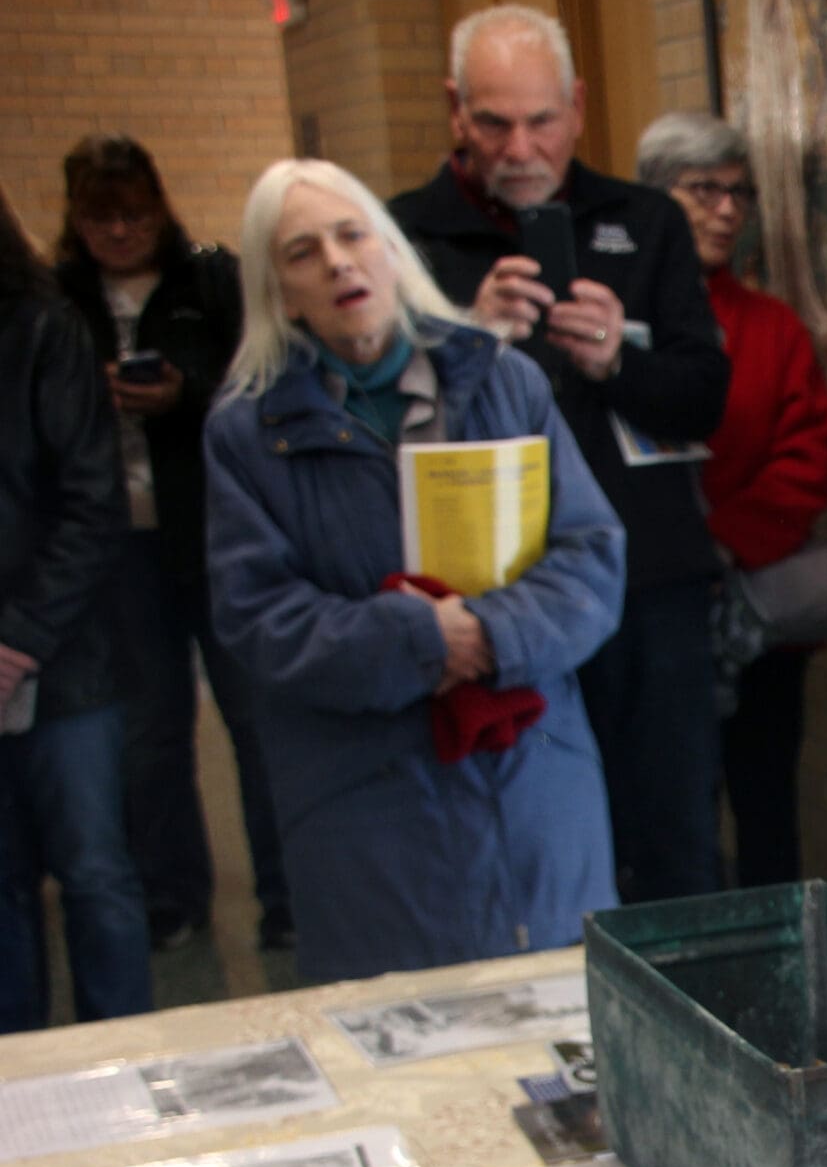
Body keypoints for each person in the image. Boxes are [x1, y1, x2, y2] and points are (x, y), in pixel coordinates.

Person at [203, 158, 625, 983]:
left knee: (556, 1023)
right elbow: (259, 618)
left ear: (392, 252)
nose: (338, 263)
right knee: (402, 1032)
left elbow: (592, 560)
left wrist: (487, 633)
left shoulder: (505, 382)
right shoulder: (247, 434)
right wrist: (420, 640)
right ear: (279, 292)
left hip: (532, 781)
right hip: (366, 807)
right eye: (302, 253)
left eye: (353, 235)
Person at [390, 4, 732, 905]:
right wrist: (468, 337)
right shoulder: (404, 239)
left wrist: (618, 361)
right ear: (456, 111)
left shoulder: (647, 222)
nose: (521, 148)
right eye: (494, 123)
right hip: (492, 595)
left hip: (647, 582)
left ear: (577, 108)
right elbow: (380, 427)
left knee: (673, 838)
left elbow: (704, 397)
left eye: (541, 120)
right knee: (526, 848)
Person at [53, 134, 289, 955]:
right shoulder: (62, 301)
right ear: (76, 220)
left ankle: (285, 897)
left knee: (253, 717)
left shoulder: (208, 282)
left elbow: (256, 386)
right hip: (120, 544)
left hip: (214, 532)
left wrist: (182, 396)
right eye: (101, 218)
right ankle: (171, 898)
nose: (120, 232)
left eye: (134, 215)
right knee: (151, 727)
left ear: (159, 209)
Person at [635, 112, 827, 889]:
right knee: (667, 816)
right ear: (656, 197)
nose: (727, 211)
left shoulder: (771, 326)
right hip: (646, 603)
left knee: (765, 809)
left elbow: (807, 457)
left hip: (753, 609)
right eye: (704, 191)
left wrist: (724, 541)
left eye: (740, 193)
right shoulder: (618, 322)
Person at [0, 178, 152, 1031]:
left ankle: (124, 1054)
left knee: (94, 873)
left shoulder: (43, 328)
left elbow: (93, 506)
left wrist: (16, 640)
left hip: (64, 664)